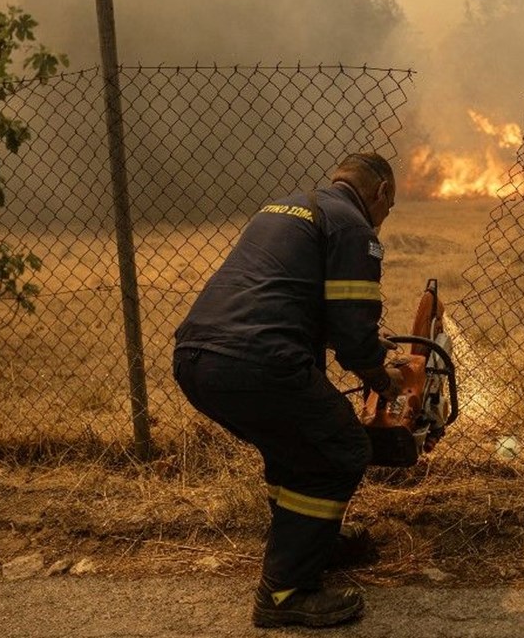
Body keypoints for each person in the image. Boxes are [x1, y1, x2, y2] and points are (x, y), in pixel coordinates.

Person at [172, 152, 403, 629]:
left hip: (198, 357)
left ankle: (310, 543)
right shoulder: (353, 227)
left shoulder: (283, 208)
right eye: (389, 207)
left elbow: (288, 301)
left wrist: (357, 342)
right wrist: (384, 378)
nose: (383, 219)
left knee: (296, 445)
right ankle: (286, 593)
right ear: (379, 192)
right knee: (340, 448)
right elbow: (352, 334)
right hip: (257, 361)